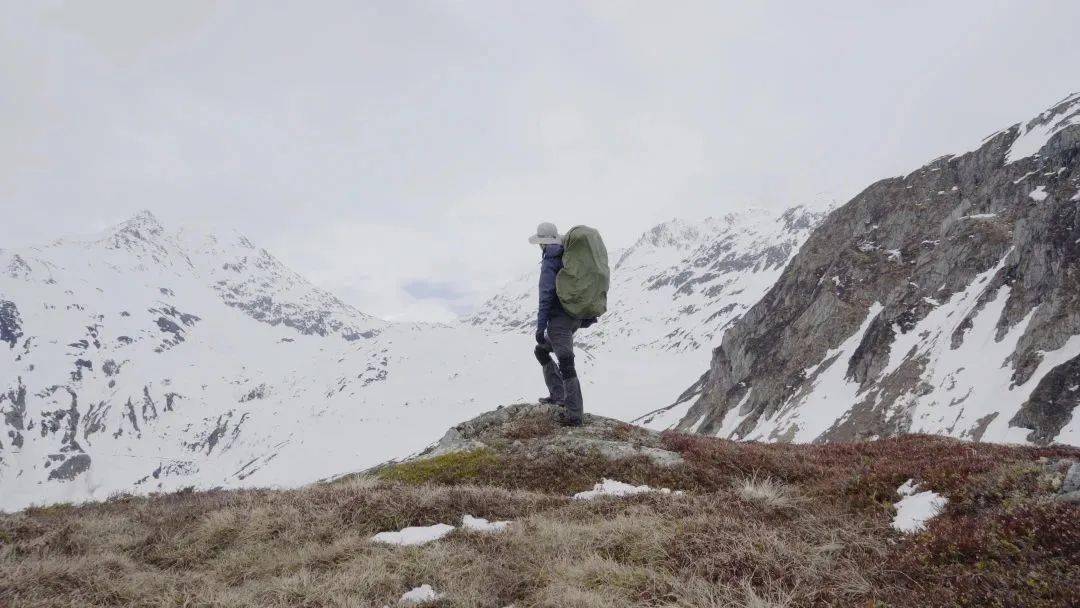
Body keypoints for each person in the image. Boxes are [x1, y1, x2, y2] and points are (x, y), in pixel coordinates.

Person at [528, 222, 595, 426]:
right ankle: (558, 397)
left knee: (566, 363)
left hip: (559, 323)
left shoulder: (551, 259)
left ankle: (574, 416)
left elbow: (546, 295)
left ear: (542, 242)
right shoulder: (568, 254)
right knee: (541, 350)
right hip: (573, 318)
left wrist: (540, 327)